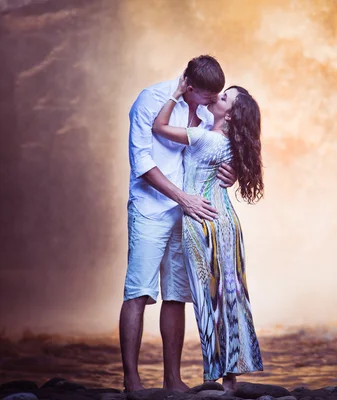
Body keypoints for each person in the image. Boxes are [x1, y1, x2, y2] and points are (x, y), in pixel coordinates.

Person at [121, 55, 237, 392]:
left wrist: (229, 175)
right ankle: (131, 380)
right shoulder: (150, 100)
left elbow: (213, 151)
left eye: (215, 97)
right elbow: (141, 160)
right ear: (187, 82)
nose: (212, 102)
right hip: (149, 208)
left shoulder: (206, 109)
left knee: (176, 296)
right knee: (138, 291)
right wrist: (181, 197)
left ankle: (173, 380)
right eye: (205, 96)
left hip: (187, 214)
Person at [152, 76, 264, 390]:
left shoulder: (206, 139)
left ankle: (217, 375)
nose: (217, 98)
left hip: (201, 222)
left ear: (229, 115)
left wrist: (175, 93)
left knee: (207, 298)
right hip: (225, 221)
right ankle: (230, 379)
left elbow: (159, 127)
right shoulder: (225, 141)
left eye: (225, 99)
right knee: (230, 296)